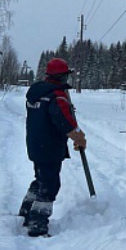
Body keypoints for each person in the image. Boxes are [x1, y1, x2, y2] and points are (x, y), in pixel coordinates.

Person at [18, 57, 87, 237]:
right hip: (49, 147)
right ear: (61, 76)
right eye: (65, 76)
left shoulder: (36, 92)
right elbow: (64, 121)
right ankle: (37, 223)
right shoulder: (56, 96)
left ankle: (26, 210)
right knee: (49, 184)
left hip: (35, 144)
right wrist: (78, 136)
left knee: (40, 178)